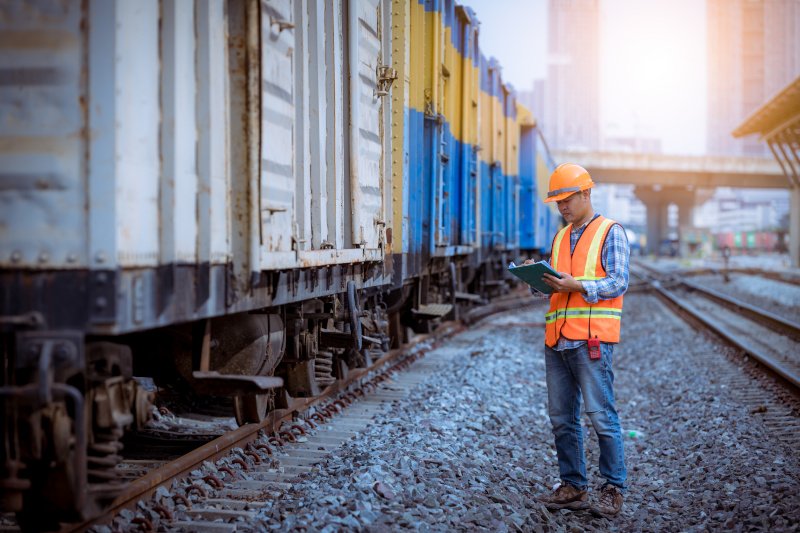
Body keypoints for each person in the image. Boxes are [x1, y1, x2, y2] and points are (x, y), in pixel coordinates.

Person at [525, 163, 629, 518]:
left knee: (601, 416)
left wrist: (579, 285)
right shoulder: (558, 237)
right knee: (561, 420)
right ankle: (573, 486)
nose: (563, 208)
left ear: (587, 193)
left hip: (591, 342)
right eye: (558, 203)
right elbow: (553, 291)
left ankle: (612, 488)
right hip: (557, 342)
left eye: (568, 200)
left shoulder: (609, 231)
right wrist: (535, 278)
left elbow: (618, 282)